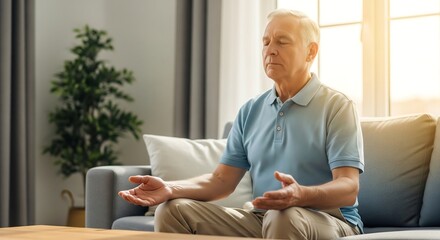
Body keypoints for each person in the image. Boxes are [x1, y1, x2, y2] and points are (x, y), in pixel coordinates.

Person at [119, 9, 364, 239]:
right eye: (266, 42)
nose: (270, 50)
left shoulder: (337, 106)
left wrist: (301, 195)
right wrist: (171, 188)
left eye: (282, 41)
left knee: (284, 216)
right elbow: (221, 181)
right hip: (263, 219)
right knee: (172, 210)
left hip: (330, 221)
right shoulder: (251, 110)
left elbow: (348, 187)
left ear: (311, 52)